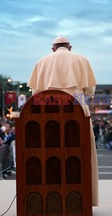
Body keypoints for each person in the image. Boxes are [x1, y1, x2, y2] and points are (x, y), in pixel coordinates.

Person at [28, 35, 99, 206]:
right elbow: (90, 91)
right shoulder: (82, 60)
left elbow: (35, 95)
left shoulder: (42, 61)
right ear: (70, 48)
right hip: (77, 103)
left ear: (52, 48)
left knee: (48, 151)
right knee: (82, 151)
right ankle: (81, 200)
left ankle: (47, 200)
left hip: (48, 109)